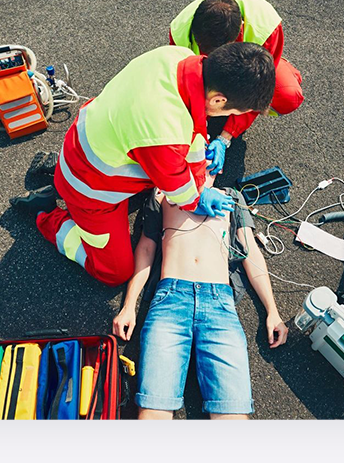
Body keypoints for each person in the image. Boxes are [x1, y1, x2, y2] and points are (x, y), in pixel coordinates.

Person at [10, 42, 275, 287]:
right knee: (115, 272)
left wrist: (198, 172)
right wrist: (196, 198)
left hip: (96, 141)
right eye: (232, 112)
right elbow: (178, 186)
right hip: (90, 188)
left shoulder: (178, 57)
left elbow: (191, 133)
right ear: (218, 99)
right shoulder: (163, 131)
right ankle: (49, 215)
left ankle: (61, 182)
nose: (230, 117)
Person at [112, 173, 289, 419]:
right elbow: (146, 247)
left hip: (219, 305)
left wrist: (273, 311)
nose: (204, 164)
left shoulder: (232, 198)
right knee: (153, 409)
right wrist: (129, 305)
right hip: (171, 301)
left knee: (233, 414)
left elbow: (252, 254)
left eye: (209, 157)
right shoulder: (162, 193)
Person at [169, 0, 305, 175]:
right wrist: (196, 130)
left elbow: (257, 89)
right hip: (206, 74)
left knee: (287, 96)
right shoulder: (180, 31)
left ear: (240, 29)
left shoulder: (266, 29)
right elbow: (185, 83)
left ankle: (279, 67)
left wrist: (226, 136)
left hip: (252, 67)